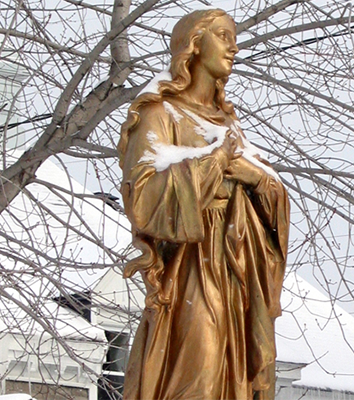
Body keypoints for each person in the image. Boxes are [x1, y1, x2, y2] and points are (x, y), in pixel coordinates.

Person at [117, 9, 290, 400]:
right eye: (223, 35)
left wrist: (256, 177)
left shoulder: (229, 124)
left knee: (234, 379)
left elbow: (269, 189)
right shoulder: (158, 113)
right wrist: (213, 163)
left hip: (238, 268)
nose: (233, 46)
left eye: (233, 37)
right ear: (193, 45)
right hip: (191, 269)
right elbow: (142, 197)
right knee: (200, 371)